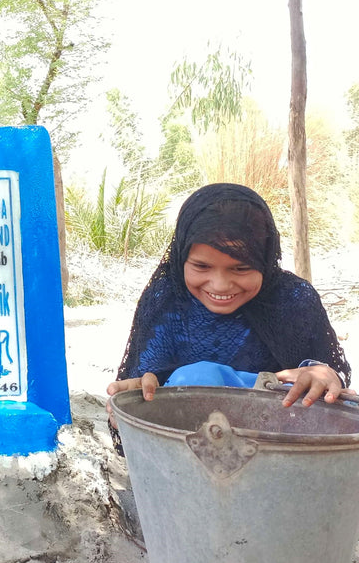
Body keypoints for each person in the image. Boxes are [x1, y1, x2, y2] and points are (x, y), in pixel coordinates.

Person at [106, 183, 352, 447]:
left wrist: (326, 376)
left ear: (265, 259)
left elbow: (333, 386)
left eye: (241, 267)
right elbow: (142, 385)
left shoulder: (293, 299)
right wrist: (129, 408)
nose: (220, 285)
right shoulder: (166, 299)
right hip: (186, 450)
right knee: (197, 379)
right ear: (181, 258)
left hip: (280, 445)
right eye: (202, 266)